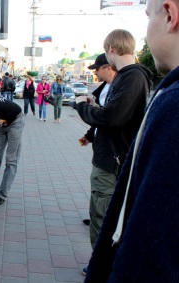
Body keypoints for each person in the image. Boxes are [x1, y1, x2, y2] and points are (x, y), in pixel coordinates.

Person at [84, 2, 179, 282]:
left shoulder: (170, 100)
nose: (147, 30)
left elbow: (152, 236)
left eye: (149, 16)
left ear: (170, 14)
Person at [76, 29, 152, 279]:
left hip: (111, 162)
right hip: (114, 158)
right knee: (105, 212)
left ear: (111, 49)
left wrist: (83, 108)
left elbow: (111, 117)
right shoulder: (131, 77)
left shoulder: (131, 77)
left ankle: (102, 267)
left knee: (101, 213)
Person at [76, 54, 117, 233]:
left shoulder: (118, 87)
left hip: (110, 156)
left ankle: (100, 222)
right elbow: (101, 119)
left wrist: (82, 106)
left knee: (103, 193)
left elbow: (106, 118)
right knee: (99, 193)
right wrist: (90, 135)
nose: (95, 73)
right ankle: (96, 217)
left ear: (108, 67)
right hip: (102, 150)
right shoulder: (108, 87)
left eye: (97, 69)